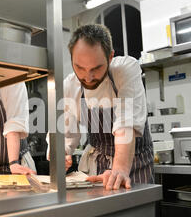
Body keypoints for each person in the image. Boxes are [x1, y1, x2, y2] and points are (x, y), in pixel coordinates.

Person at [60, 24, 154, 190]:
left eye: (96, 68)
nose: (88, 77)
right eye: (79, 68)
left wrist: (119, 169)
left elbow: (125, 124)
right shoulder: (69, 86)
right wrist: (62, 154)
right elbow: (64, 133)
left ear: (110, 57)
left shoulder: (125, 70)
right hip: (96, 169)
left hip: (134, 166)